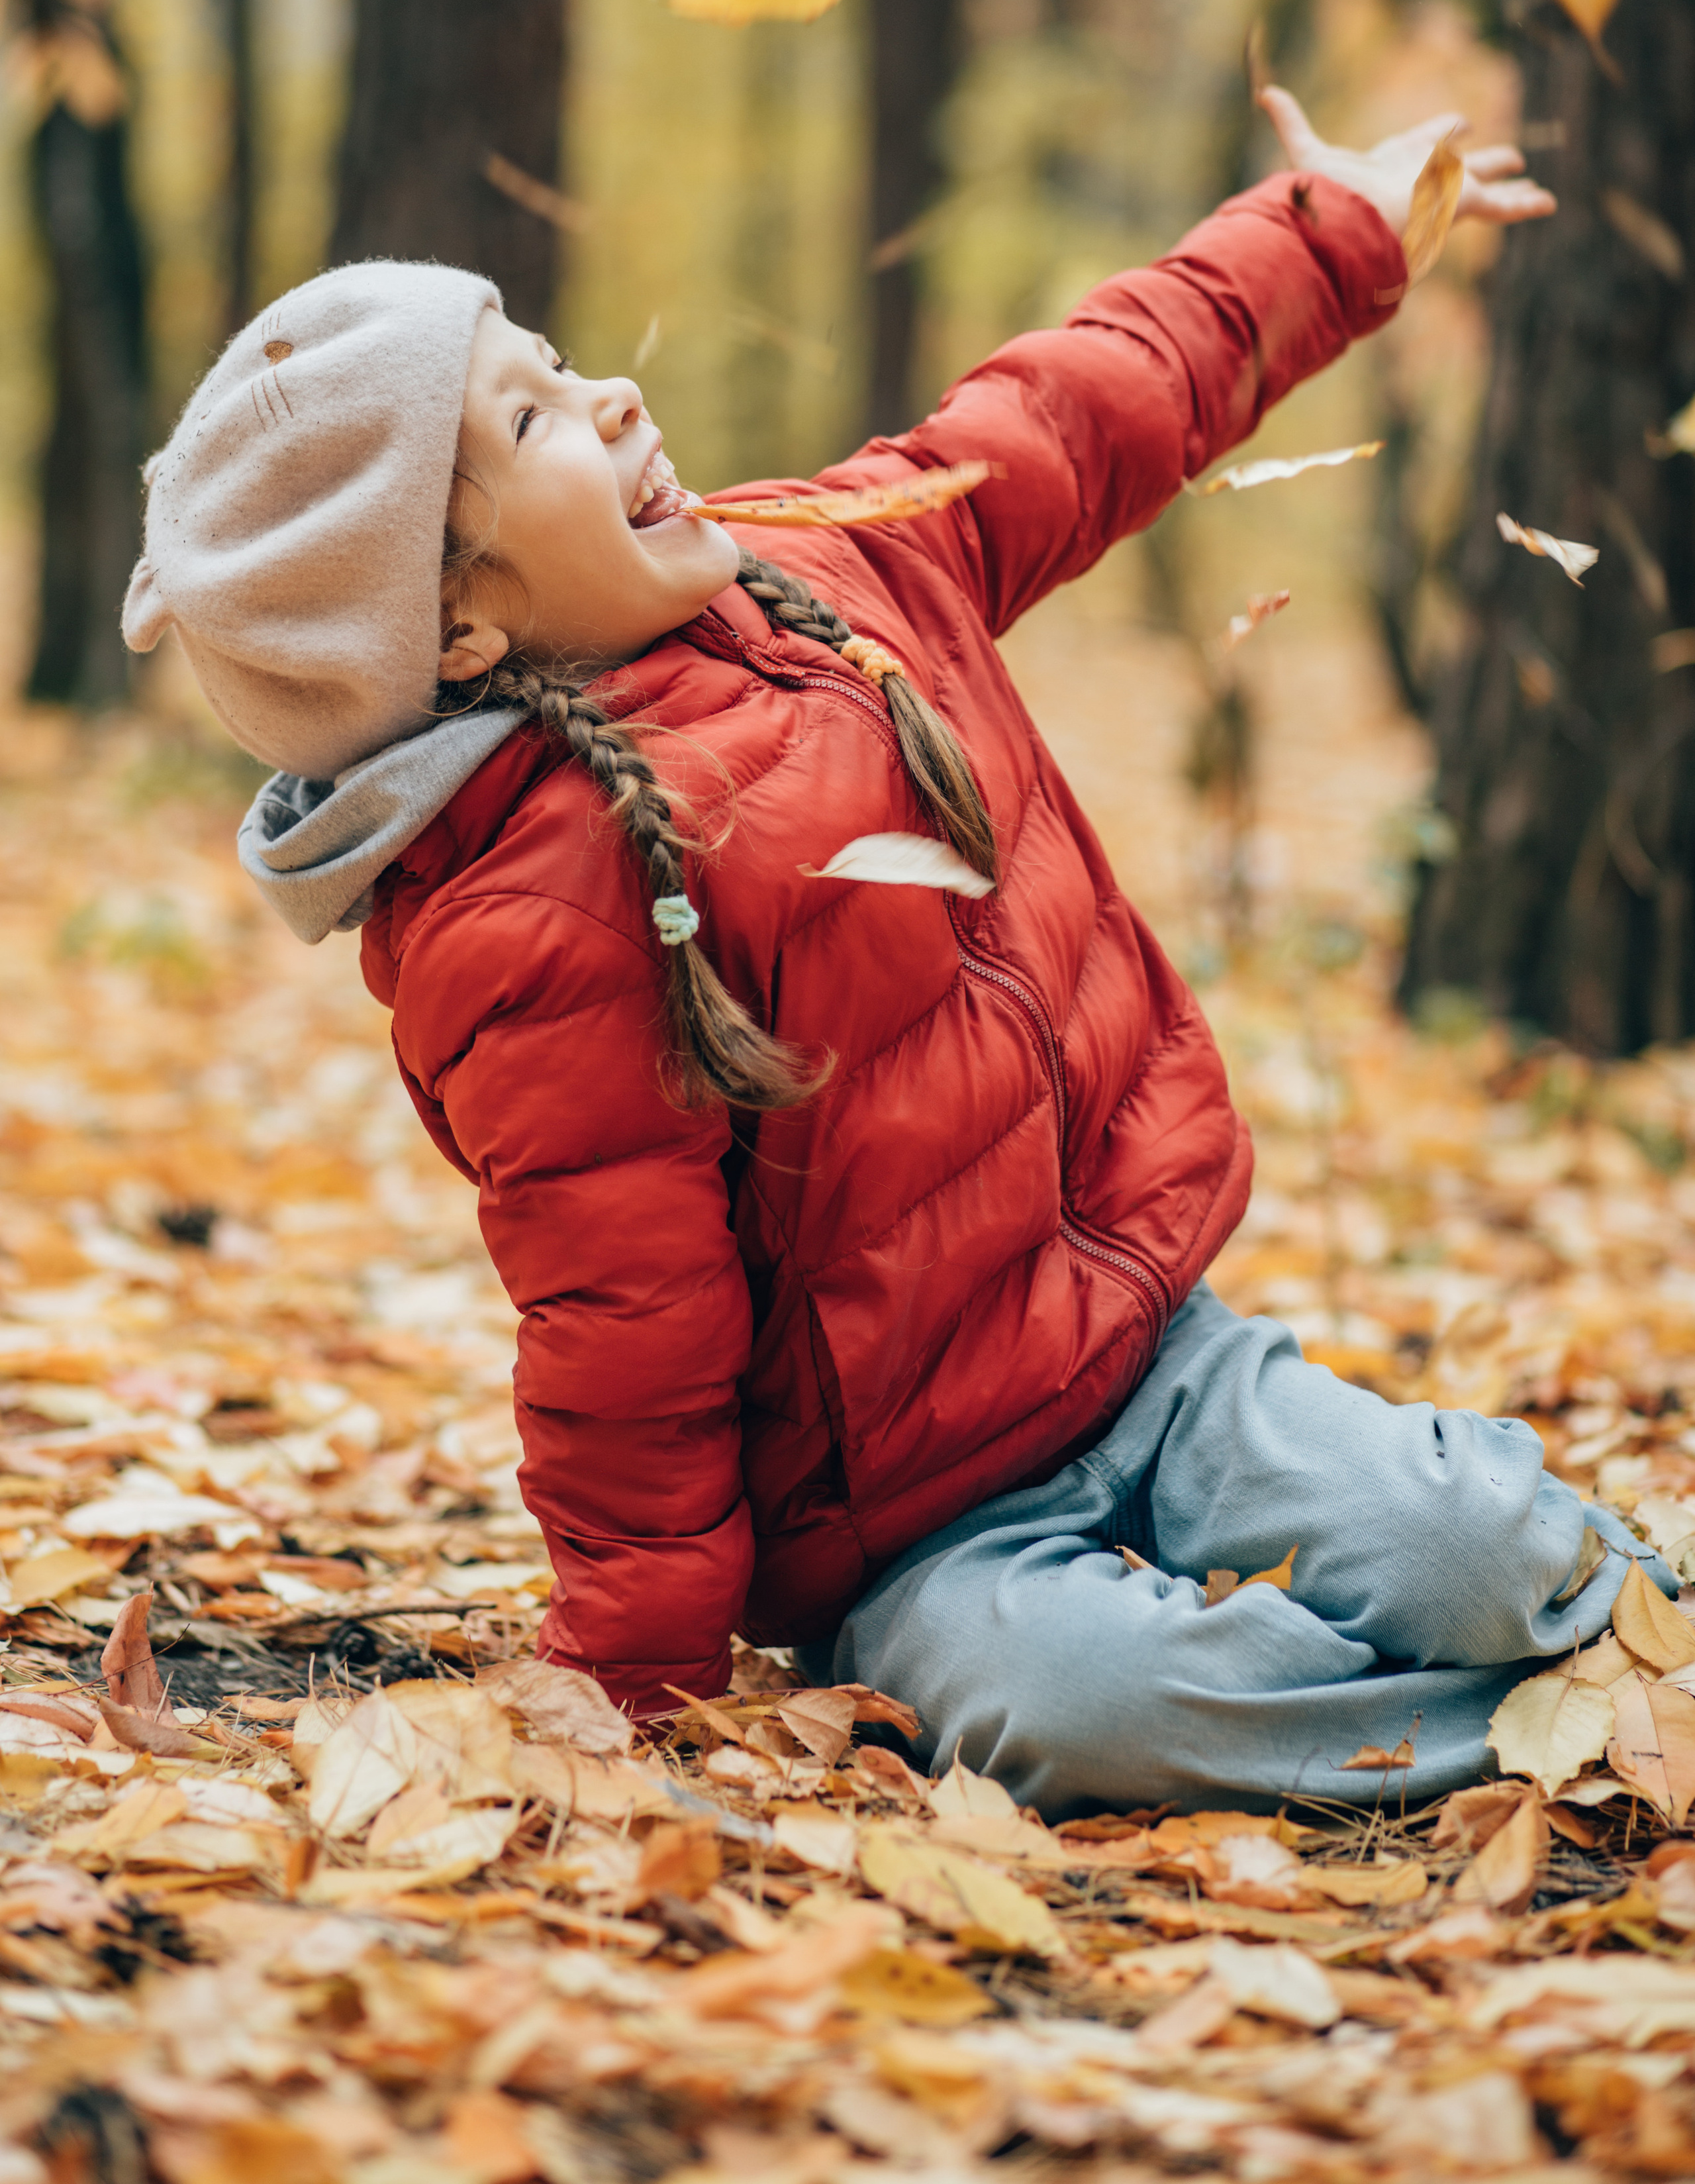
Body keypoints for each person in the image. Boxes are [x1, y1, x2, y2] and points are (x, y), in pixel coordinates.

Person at [123, 88, 1653, 1819]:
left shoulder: (836, 564)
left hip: (1161, 1357)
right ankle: (1533, 1743)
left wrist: (1333, 225)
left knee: (1477, 1543)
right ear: (455, 618)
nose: (610, 394)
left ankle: (1620, 1638)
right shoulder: (530, 917)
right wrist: (636, 1678)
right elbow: (624, 1323)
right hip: (918, 1533)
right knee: (1098, 1705)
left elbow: (1085, 407)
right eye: (535, 417)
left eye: (555, 358)